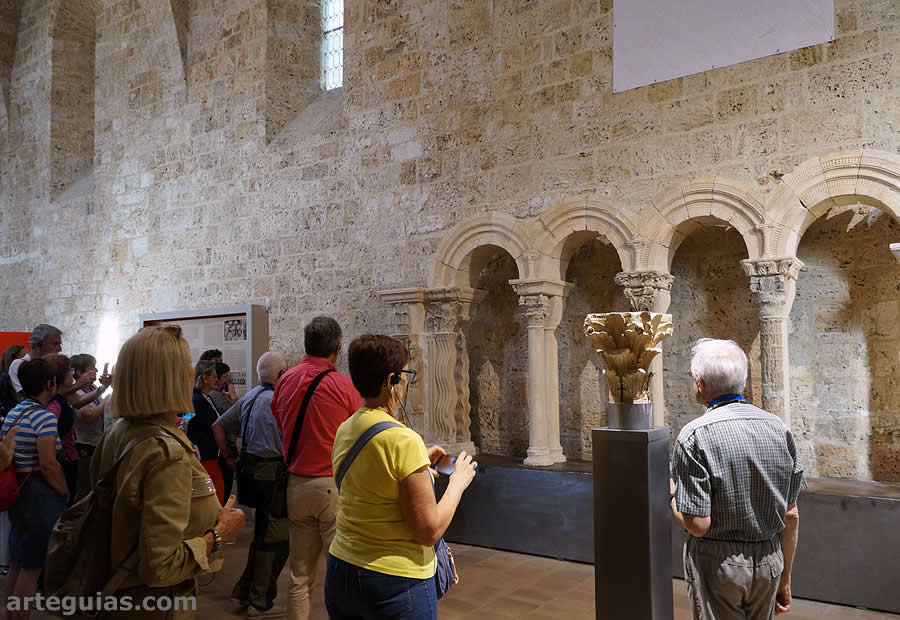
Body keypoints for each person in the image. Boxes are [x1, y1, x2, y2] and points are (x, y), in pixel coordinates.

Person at [91, 325, 245, 619]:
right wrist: (220, 533)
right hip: (154, 604)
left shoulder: (119, 433)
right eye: (187, 363)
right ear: (170, 378)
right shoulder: (167, 453)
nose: (193, 371)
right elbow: (160, 566)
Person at [324, 335, 478, 620]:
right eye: (406, 374)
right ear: (391, 380)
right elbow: (428, 530)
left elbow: (372, 485)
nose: (408, 382)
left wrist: (419, 463)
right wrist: (457, 482)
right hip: (394, 580)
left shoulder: (347, 427)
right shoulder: (403, 441)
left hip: (342, 568)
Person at [670, 339, 805, 620]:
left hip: (719, 562)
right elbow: (791, 514)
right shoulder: (779, 429)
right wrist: (785, 578)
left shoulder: (694, 436)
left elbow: (697, 525)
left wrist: (673, 496)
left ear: (700, 383)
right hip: (770, 557)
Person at [271, 316, 363, 620]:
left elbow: (279, 419)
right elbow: (359, 427)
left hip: (296, 483)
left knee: (299, 575)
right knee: (345, 572)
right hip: (331, 485)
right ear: (337, 347)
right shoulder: (342, 384)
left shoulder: (286, 379)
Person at [215, 352, 289, 618]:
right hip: (273, 476)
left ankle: (244, 591)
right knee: (276, 538)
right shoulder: (277, 401)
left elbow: (219, 426)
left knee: (262, 534)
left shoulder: (250, 396)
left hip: (249, 472)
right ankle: (260, 602)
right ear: (281, 375)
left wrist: (229, 458)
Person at [2, 359, 69, 620]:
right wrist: (64, 492)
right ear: (49, 383)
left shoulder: (14, 412)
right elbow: (48, 463)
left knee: (18, 561)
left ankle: (10, 615)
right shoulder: (44, 417)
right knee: (32, 567)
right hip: (39, 496)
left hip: (18, 491)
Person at [70, 353, 110, 499]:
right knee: (84, 491)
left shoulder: (93, 388)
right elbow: (88, 415)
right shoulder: (75, 392)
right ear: (80, 372)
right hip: (84, 446)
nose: (96, 370)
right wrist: (107, 400)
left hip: (97, 442)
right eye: (92, 367)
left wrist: (105, 387)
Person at [188, 360, 226, 504]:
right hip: (203, 457)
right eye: (214, 376)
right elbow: (186, 420)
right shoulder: (196, 400)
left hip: (211, 455)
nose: (217, 379)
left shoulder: (206, 397)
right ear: (204, 378)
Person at [44, 354, 80, 503]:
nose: (72, 372)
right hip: (64, 460)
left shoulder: (60, 399)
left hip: (68, 456)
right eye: (69, 370)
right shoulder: (56, 404)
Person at [8, 325, 63, 395]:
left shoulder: (52, 365)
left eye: (60, 344)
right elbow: (25, 397)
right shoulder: (18, 364)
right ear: (38, 344)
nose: (60, 349)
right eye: (55, 344)